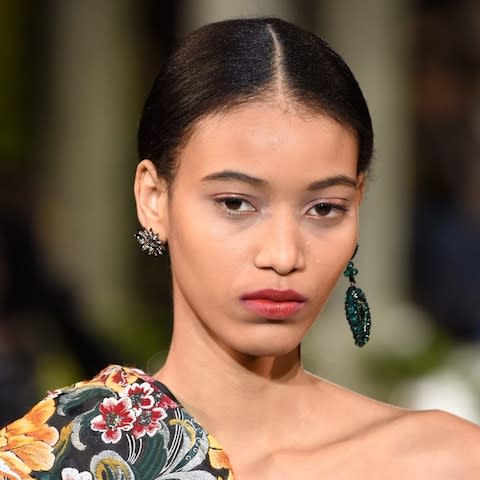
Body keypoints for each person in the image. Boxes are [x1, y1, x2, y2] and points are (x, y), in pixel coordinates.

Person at [1, 17, 479, 480]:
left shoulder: (449, 463)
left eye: (325, 209)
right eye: (235, 203)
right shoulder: (61, 457)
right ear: (153, 197)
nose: (284, 254)